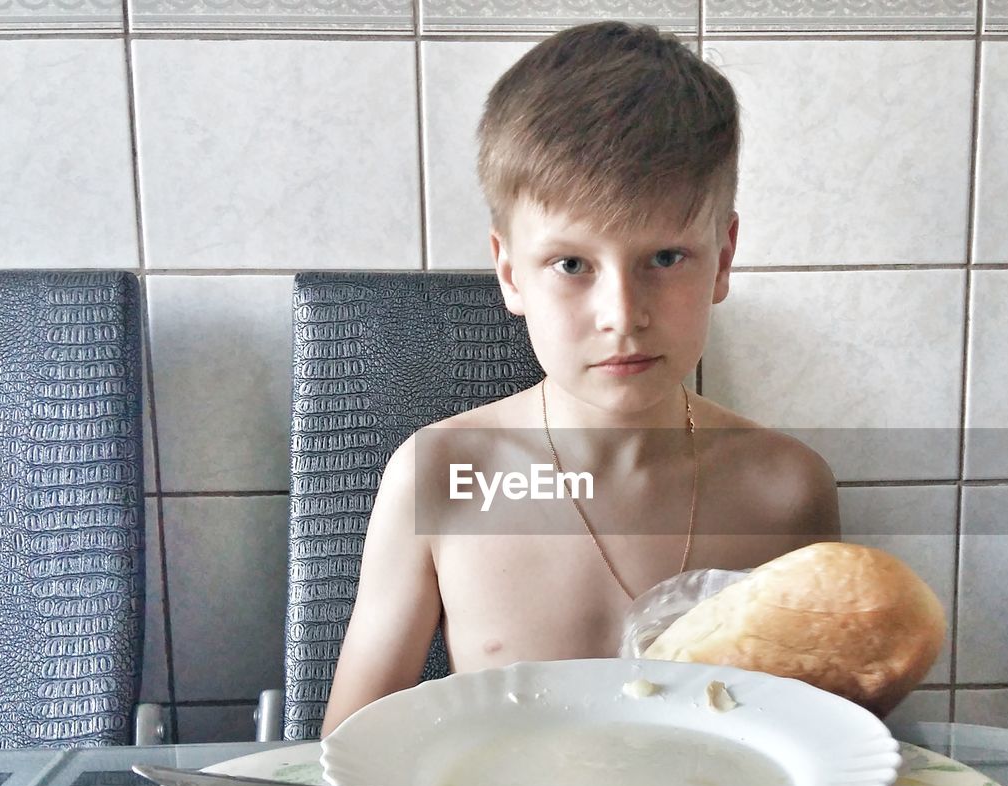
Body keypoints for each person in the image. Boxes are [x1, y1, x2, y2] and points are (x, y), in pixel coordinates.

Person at [320, 21, 840, 736]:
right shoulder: (440, 476)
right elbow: (349, 753)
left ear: (722, 259)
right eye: (572, 265)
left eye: (664, 258)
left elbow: (824, 739)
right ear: (510, 273)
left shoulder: (787, 491)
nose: (622, 316)